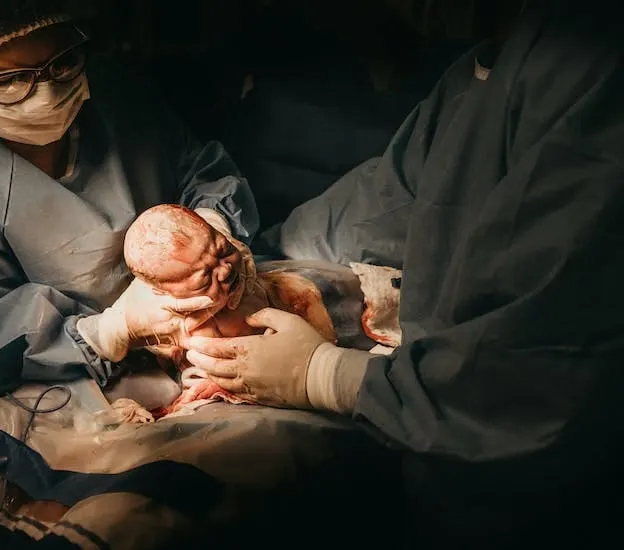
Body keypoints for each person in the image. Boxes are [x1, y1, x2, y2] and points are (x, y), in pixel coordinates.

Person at [186, 0, 624, 542]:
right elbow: (383, 203)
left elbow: (535, 373)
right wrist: (245, 259)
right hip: (442, 478)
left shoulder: (593, 68)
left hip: (547, 500)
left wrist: (323, 375)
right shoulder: (481, 71)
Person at [0, 0, 259, 425]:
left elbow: (202, 171)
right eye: (9, 80)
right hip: (70, 382)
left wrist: (211, 228)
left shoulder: (115, 92)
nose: (46, 91)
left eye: (62, 63)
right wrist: (109, 331)